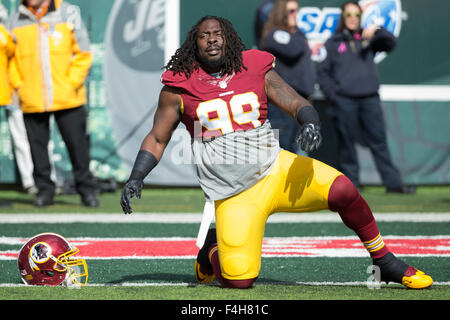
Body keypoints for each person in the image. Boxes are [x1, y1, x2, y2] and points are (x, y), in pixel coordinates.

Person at [120, 15, 432, 289]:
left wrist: (310, 122)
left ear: (228, 39)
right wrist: (137, 176)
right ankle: (212, 249)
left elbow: (294, 101)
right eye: (204, 35)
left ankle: (385, 262)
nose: (212, 39)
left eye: (218, 34)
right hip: (234, 192)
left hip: (275, 169)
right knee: (238, 281)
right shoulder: (180, 85)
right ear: (194, 43)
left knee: (344, 190)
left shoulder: (253, 67)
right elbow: (157, 139)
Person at [8, 0, 99, 207]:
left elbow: (83, 53)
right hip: (31, 97)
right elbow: (11, 60)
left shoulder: (69, 12)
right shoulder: (16, 19)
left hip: (68, 96)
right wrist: (19, 85)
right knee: (37, 148)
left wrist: (71, 83)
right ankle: (45, 191)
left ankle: (86, 190)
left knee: (78, 147)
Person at [317, 1, 414, 193]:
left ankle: (394, 184)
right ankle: (352, 185)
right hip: (344, 100)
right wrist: (334, 95)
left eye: (356, 15)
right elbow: (322, 73)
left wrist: (377, 29)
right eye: (349, 15)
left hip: (370, 99)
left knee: (379, 142)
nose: (353, 18)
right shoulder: (333, 43)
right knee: (347, 144)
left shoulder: (369, 38)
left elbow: (391, 43)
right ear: (342, 18)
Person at [260, 0, 316, 153]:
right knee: (283, 149)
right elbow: (293, 50)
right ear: (281, 12)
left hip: (300, 101)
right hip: (283, 102)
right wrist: (296, 32)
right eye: (291, 11)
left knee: (301, 150)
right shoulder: (275, 33)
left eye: (297, 10)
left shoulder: (296, 34)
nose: (295, 14)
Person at [0, 5, 37, 195]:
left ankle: (30, 180)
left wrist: (17, 84)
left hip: (8, 91)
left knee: (22, 137)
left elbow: (13, 60)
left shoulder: (6, 28)